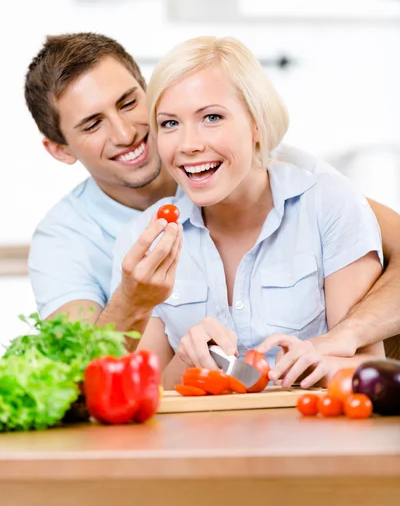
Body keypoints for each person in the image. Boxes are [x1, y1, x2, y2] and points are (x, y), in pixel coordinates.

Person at [25, 33, 400, 359]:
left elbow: (369, 237)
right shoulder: (64, 241)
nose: (125, 133)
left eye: (128, 103)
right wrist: (133, 300)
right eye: (92, 124)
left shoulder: (292, 176)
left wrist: (345, 336)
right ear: (61, 150)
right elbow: (81, 380)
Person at [111, 35, 387, 389]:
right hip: (203, 442)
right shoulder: (142, 238)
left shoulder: (328, 205)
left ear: (257, 124)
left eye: (211, 117)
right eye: (169, 124)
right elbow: (141, 393)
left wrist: (315, 365)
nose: (189, 145)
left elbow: (372, 368)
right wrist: (190, 358)